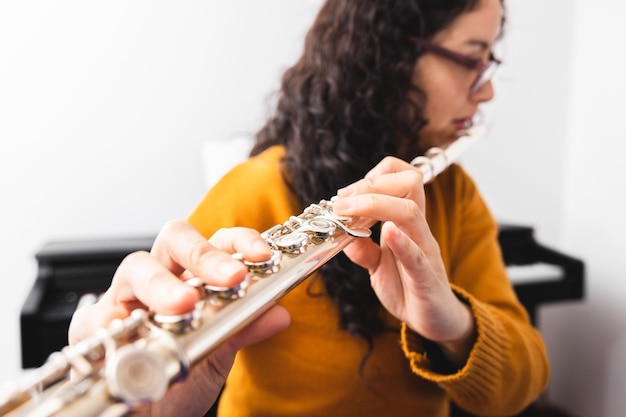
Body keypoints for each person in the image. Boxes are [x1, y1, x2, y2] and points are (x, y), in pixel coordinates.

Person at [70, 0, 551, 416]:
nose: (486, 90)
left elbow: (522, 384)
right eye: (472, 59)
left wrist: (452, 322)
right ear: (391, 57)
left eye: (490, 62)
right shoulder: (253, 189)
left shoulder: (452, 194)